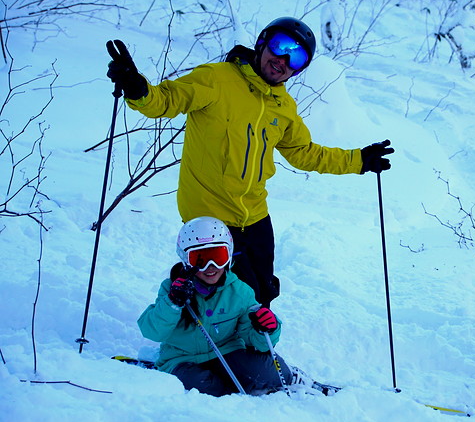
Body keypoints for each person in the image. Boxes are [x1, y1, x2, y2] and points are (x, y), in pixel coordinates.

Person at [106, 16, 394, 308]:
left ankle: (255, 350)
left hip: (255, 217)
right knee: (215, 300)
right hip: (209, 217)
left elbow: (304, 153)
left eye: (296, 56)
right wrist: (137, 88)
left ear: (299, 69)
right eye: (280, 45)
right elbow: (165, 101)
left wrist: (358, 160)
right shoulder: (216, 79)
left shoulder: (283, 107)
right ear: (262, 42)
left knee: (260, 295)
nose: (283, 59)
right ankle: (194, 348)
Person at [138, 216, 328, 396]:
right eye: (200, 259)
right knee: (208, 390)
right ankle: (222, 384)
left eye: (218, 257)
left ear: (228, 255)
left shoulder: (239, 292)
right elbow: (153, 332)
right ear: (185, 258)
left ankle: (289, 376)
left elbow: (256, 342)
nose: (210, 267)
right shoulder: (172, 289)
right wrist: (173, 303)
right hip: (182, 358)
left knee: (270, 372)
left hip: (228, 351)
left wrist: (267, 329)